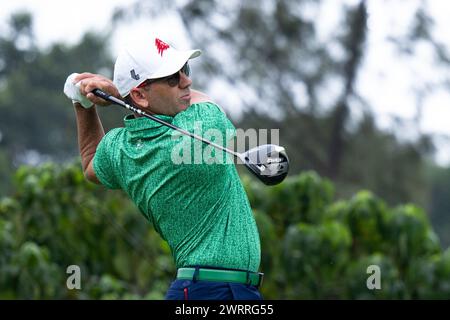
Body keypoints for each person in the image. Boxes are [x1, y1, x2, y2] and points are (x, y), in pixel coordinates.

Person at [63, 35, 263, 300]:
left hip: (201, 289)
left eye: (185, 71)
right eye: (173, 78)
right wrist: (114, 91)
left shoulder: (122, 148)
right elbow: (202, 100)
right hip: (216, 291)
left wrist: (82, 103)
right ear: (139, 95)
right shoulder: (199, 129)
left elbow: (90, 161)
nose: (187, 81)